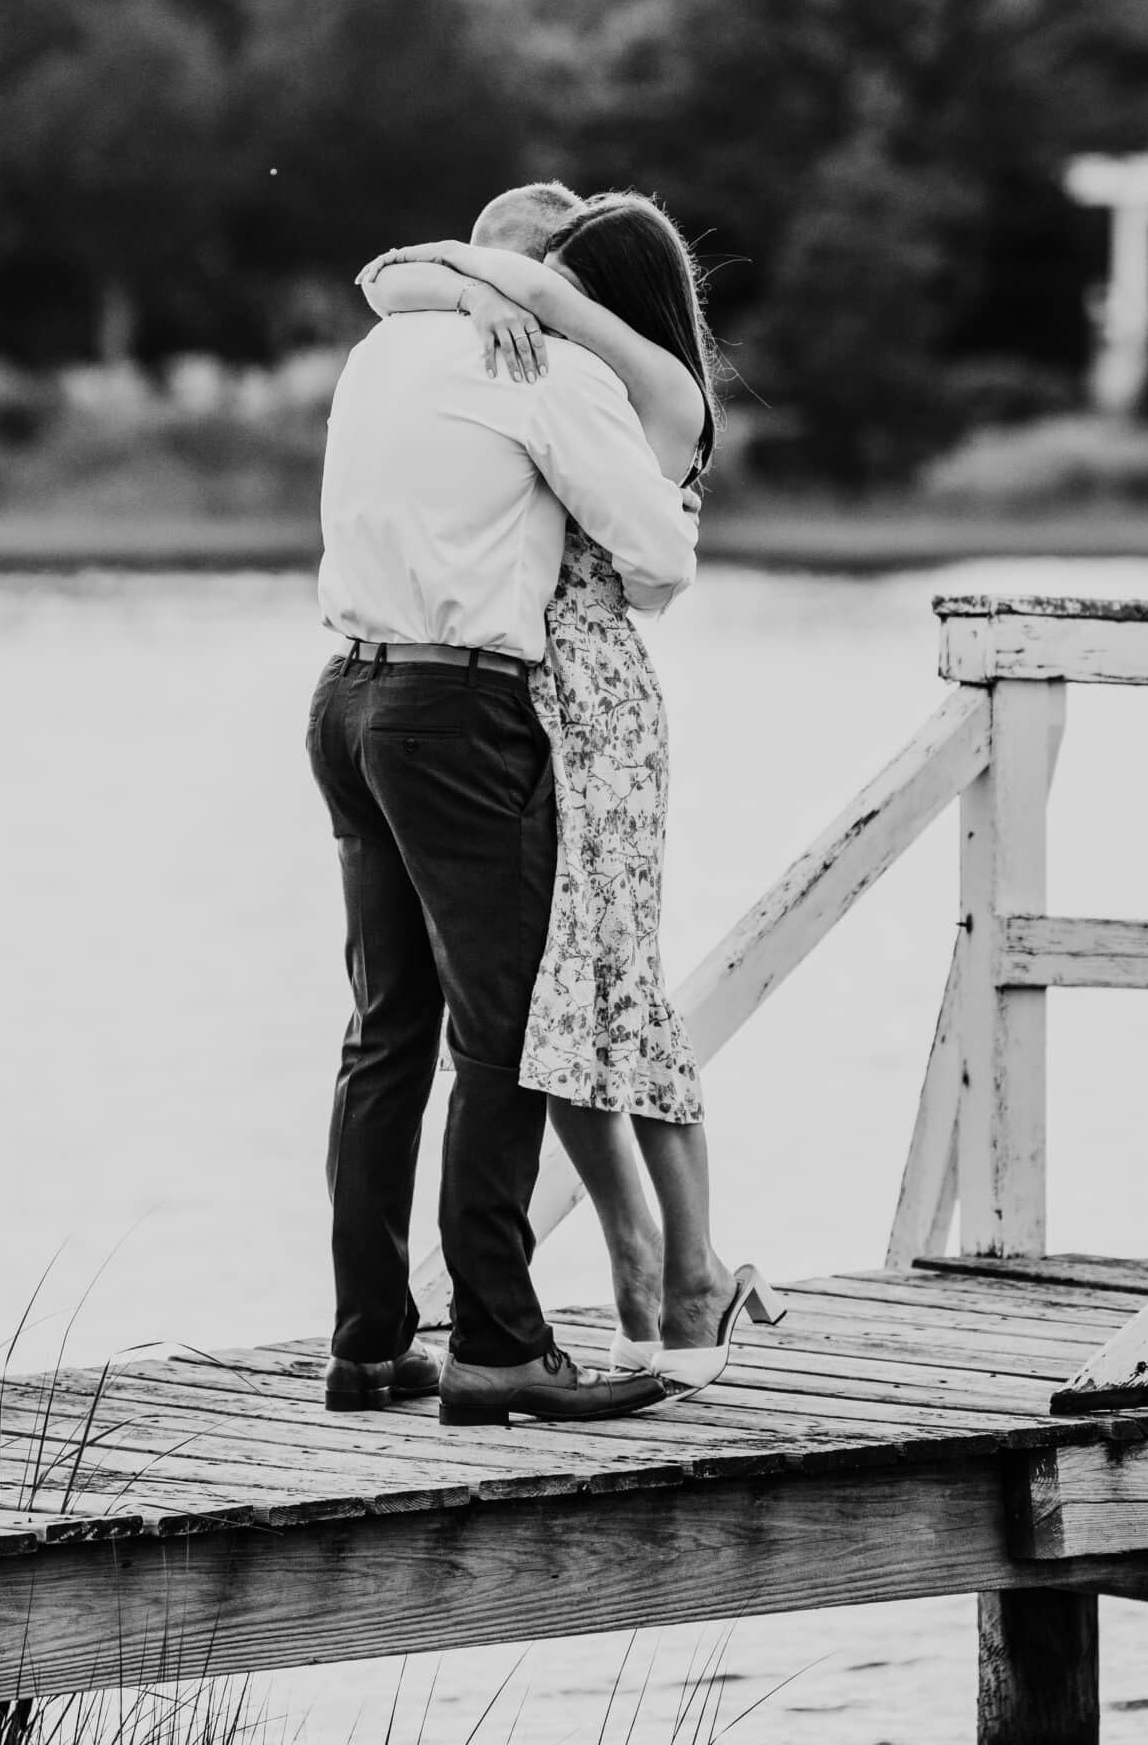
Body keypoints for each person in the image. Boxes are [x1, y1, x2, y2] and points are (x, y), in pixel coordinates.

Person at [360, 191, 785, 1391]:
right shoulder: (574, 370)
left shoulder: (652, 383)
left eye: (562, 278)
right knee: (557, 1012)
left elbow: (413, 269)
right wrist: (483, 292)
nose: (542, 290)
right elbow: (391, 278)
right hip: (520, 699)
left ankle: (691, 1272)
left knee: (615, 993)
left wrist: (499, 286)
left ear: (603, 286)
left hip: (591, 708)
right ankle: (640, 1272)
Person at [309, 184, 698, 1427]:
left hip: (345, 699)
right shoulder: (553, 372)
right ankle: (496, 1344)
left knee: (385, 1034)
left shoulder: (383, 344)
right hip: (458, 713)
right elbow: (658, 554)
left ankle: (369, 1344)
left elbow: (383, 269)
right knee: (505, 1034)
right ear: (552, 282)